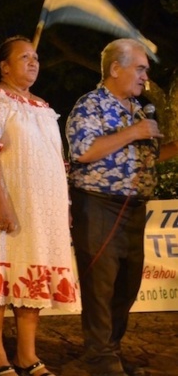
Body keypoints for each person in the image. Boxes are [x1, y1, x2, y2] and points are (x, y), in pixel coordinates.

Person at [0, 37, 81, 376]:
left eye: (36, 57)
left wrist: (64, 205)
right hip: (8, 202)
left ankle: (27, 356)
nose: (33, 62)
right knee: (0, 274)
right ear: (4, 66)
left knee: (31, 275)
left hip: (42, 209)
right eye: (24, 57)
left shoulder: (44, 107)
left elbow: (55, 159)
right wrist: (1, 202)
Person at [66, 38, 178, 376]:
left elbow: (146, 157)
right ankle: (100, 358)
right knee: (101, 286)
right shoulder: (91, 106)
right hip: (99, 206)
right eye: (140, 68)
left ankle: (110, 349)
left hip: (134, 208)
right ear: (116, 69)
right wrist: (135, 132)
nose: (145, 76)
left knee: (127, 285)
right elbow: (82, 151)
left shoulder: (138, 112)